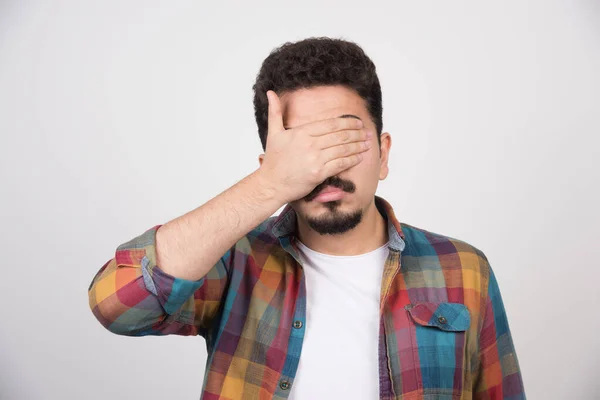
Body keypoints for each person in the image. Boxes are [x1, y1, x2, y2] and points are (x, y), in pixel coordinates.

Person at [88, 37, 525, 400]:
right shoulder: (235, 260)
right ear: (272, 164)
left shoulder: (463, 268)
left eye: (345, 140)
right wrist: (268, 187)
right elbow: (118, 306)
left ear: (384, 152)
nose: (325, 167)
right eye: (302, 150)